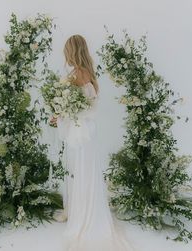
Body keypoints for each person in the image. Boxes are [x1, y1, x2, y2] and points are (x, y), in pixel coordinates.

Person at [51, 35, 136, 251]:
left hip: (81, 133)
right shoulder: (84, 72)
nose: (65, 55)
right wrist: (60, 114)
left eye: (66, 51)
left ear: (73, 51)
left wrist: (61, 114)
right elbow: (78, 106)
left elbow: (79, 108)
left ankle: (83, 215)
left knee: (81, 171)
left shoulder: (79, 74)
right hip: (84, 131)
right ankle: (80, 209)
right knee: (82, 172)